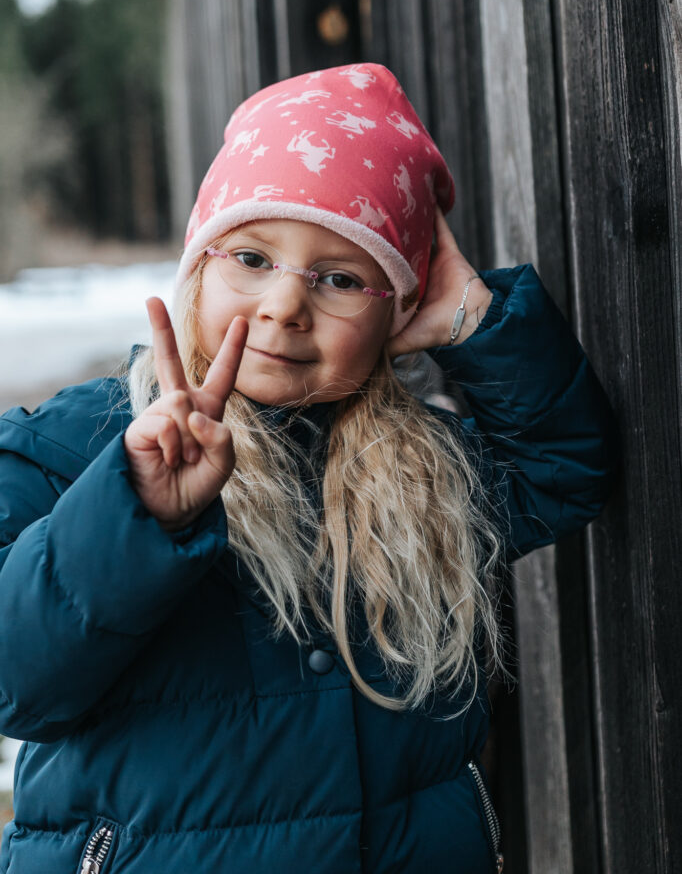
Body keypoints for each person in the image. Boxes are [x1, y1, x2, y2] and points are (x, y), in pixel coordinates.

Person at [0, 63, 618, 874]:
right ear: (199, 267)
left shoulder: (420, 470)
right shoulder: (76, 445)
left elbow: (565, 466)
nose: (286, 306)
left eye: (339, 277)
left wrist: (471, 319)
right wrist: (134, 512)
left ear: (396, 309)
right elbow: (18, 678)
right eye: (252, 258)